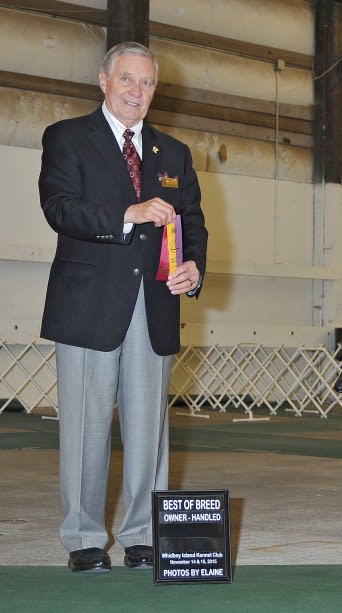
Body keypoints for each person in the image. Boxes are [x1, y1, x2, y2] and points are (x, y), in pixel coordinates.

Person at [38, 41, 208, 573]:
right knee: (86, 429)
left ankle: (142, 535)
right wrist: (128, 213)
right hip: (88, 306)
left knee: (148, 431)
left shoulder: (174, 152)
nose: (138, 91)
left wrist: (194, 268)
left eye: (148, 82)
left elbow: (194, 224)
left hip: (154, 306)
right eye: (127, 80)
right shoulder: (67, 138)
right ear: (104, 81)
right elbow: (59, 207)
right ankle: (84, 537)